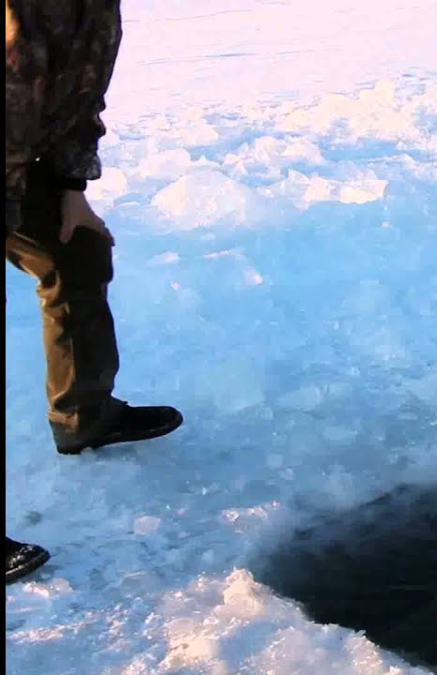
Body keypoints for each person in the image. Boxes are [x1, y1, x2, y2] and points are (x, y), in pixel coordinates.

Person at [6, 0, 184, 579]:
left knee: (76, 253)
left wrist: (68, 186)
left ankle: (86, 414)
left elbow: (81, 97)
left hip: (17, 166)